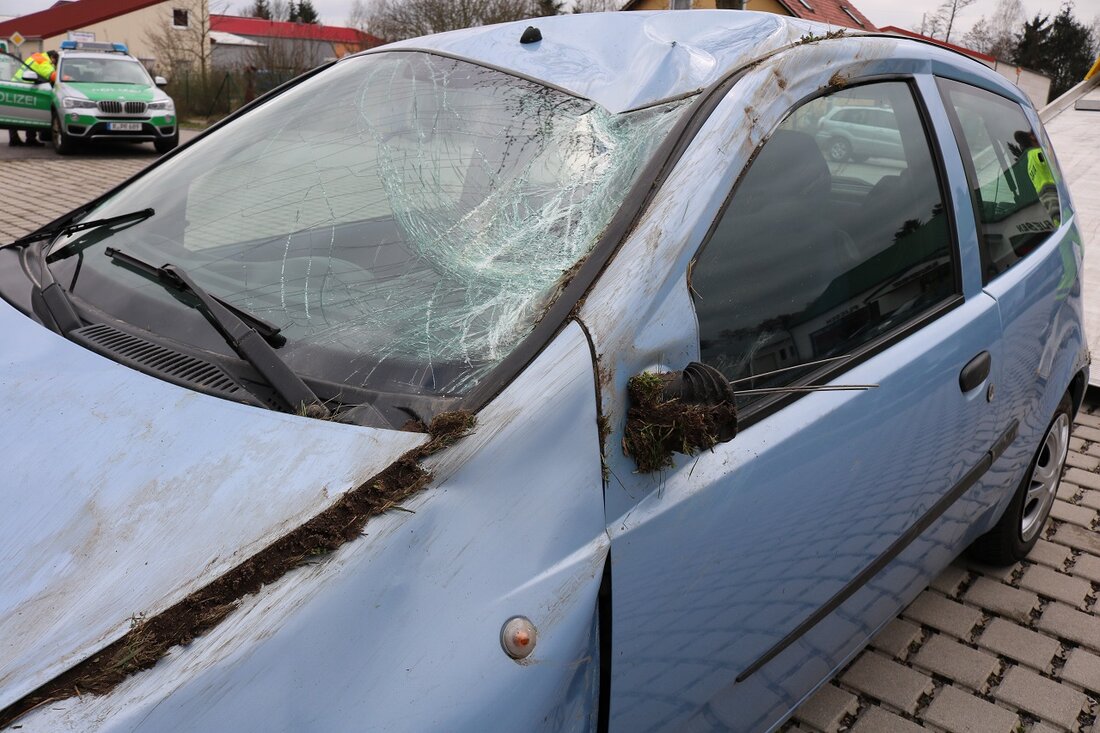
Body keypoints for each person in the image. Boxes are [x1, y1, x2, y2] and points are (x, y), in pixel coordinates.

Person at [8, 50, 58, 147]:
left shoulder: (37, 56)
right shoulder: (43, 61)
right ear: (53, 58)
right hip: (24, 88)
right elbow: (53, 76)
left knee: (15, 114)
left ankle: (14, 138)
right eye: (55, 62)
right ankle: (30, 139)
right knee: (31, 113)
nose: (54, 64)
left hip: (16, 86)